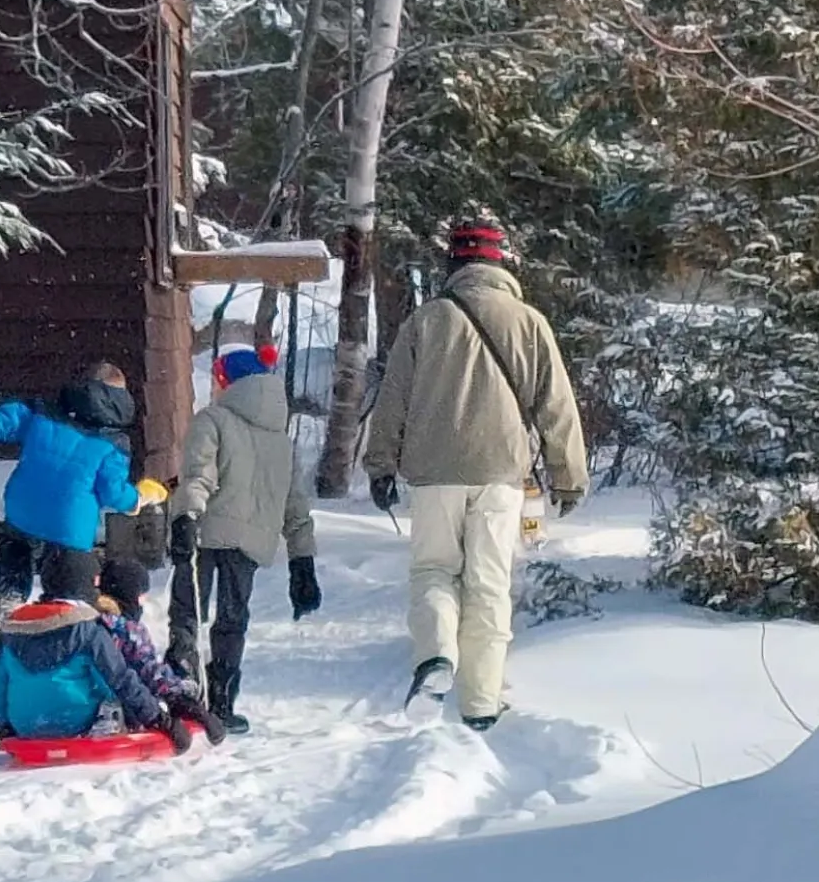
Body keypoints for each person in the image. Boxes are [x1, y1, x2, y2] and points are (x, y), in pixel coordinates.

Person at [359, 214, 588, 730]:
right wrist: (567, 474)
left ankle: (436, 657)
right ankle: (481, 702)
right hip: (501, 472)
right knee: (489, 581)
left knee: (435, 570)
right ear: (500, 261)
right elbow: (557, 405)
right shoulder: (529, 321)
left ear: (454, 262)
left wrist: (380, 465)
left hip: (434, 472)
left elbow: (392, 398)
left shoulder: (426, 321)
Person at [171, 345, 323, 732]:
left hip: (206, 534)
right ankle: (222, 703)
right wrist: (302, 561)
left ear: (227, 381)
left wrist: (186, 515)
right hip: (251, 544)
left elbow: (199, 473)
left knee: (189, 610)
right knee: (232, 619)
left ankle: (183, 693)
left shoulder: (213, 420)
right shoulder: (280, 439)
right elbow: (295, 505)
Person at [0, 364, 167, 608]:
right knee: (70, 596)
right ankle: (65, 613)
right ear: (121, 401)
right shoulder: (114, 444)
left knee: (15, 547)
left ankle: (11, 597)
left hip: (24, 509)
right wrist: (139, 497)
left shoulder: (42, 412)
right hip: (69, 527)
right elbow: (113, 493)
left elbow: (3, 421)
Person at [0, 591, 201, 749]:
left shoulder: (11, 634)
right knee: (105, 685)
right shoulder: (88, 631)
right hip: (76, 723)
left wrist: (4, 727)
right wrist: (158, 719)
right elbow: (117, 681)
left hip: (25, 726)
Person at [91, 555, 213, 734]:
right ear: (130, 596)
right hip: (123, 701)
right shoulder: (127, 629)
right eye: (141, 597)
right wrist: (178, 694)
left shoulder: (88, 621)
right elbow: (149, 668)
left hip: (86, 698)